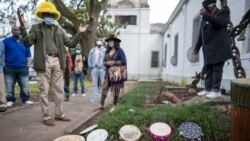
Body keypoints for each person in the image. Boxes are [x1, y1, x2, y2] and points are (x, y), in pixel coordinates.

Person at [17, 1, 88, 126]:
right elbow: (27, 43)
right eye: (46, 15)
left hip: (57, 61)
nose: (48, 17)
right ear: (43, 16)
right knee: (44, 90)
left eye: (51, 15)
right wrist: (22, 26)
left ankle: (59, 114)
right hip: (43, 61)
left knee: (59, 90)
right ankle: (46, 116)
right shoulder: (36, 28)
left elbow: (70, 44)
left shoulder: (59, 29)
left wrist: (79, 33)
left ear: (54, 16)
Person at [194, 0, 232, 98]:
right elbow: (200, 35)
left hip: (219, 48)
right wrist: (197, 47)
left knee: (217, 70)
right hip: (208, 50)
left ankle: (216, 91)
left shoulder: (223, 12)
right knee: (208, 70)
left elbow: (218, 22)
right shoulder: (204, 19)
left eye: (207, 8)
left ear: (212, 6)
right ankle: (207, 89)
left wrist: (205, 15)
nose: (206, 10)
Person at [3, 25, 34, 107]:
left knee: (25, 86)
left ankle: (25, 100)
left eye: (18, 30)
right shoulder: (5, 41)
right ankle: (10, 99)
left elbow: (29, 55)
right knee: (9, 86)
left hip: (23, 68)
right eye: (15, 30)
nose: (17, 31)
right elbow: (2, 54)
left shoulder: (25, 41)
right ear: (12, 31)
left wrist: (27, 66)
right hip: (9, 68)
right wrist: (4, 65)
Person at [97, 34, 127, 111]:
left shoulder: (120, 51)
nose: (110, 42)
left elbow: (124, 61)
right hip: (108, 74)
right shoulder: (107, 51)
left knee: (116, 89)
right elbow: (104, 61)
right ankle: (101, 104)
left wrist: (113, 62)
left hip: (116, 74)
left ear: (115, 42)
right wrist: (106, 63)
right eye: (109, 41)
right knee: (104, 87)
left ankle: (114, 104)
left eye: (111, 41)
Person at [0, 41, 7, 112]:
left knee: (1, 87)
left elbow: (3, 56)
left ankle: (2, 103)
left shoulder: (1, 43)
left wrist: (2, 66)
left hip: (0, 68)